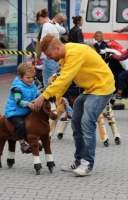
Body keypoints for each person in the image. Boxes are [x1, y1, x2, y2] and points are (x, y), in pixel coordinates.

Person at [33, 34, 115, 176]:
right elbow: (65, 81)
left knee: (87, 122)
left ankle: (87, 163)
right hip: (90, 89)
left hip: (102, 87)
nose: (48, 58)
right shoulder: (65, 55)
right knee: (76, 122)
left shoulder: (75, 53)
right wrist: (53, 101)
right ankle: (78, 161)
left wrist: (43, 96)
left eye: (49, 54)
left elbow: (64, 78)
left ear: (57, 48)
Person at [5, 63, 40, 153]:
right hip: (15, 112)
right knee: (20, 124)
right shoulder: (17, 88)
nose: (31, 80)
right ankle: (22, 144)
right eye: (28, 77)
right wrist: (29, 104)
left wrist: (43, 97)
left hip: (26, 111)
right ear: (20, 77)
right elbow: (18, 101)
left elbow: (37, 94)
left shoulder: (32, 85)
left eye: (32, 77)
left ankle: (34, 139)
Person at [36, 8, 66, 89]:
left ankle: (49, 101)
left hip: (48, 58)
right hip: (57, 57)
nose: (40, 23)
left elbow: (42, 44)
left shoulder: (45, 26)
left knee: (48, 85)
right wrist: (63, 21)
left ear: (40, 18)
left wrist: (39, 57)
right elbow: (64, 31)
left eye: (39, 21)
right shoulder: (55, 24)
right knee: (55, 82)